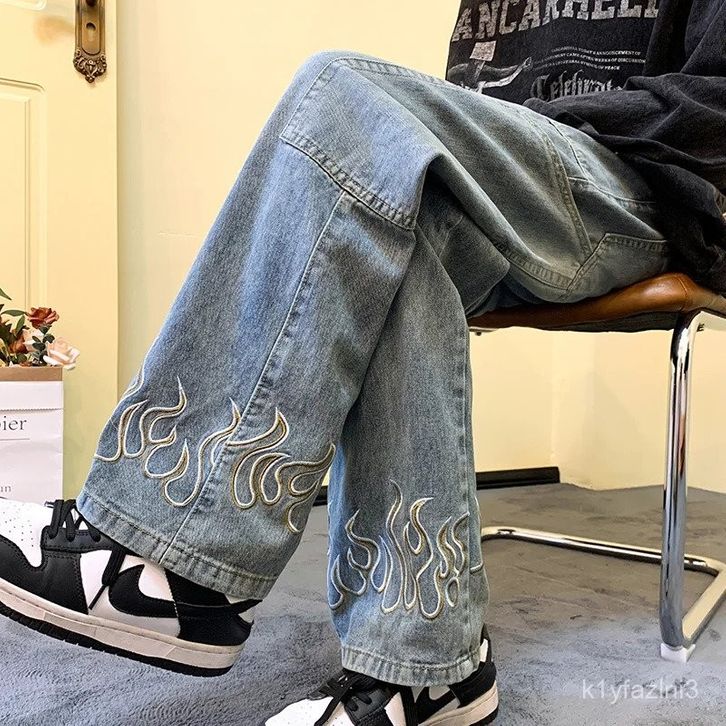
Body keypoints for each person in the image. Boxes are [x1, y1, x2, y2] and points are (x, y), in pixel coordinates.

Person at [1, 1, 724, 724]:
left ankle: (173, 562)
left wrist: (542, 128)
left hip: (650, 188)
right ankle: (430, 667)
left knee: (343, 89)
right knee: (405, 216)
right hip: (519, 179)